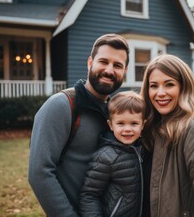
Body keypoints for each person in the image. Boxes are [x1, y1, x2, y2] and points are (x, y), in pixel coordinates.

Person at [28, 33, 129, 217]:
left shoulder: (116, 114)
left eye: (117, 65)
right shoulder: (62, 105)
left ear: (125, 71)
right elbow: (39, 173)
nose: (109, 70)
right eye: (103, 61)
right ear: (90, 63)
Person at [140, 54, 194, 217]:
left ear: (184, 88)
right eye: (153, 86)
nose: (160, 93)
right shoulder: (147, 132)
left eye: (169, 84)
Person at [79, 91, 146, 217]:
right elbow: (89, 195)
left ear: (143, 125)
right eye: (120, 123)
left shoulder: (145, 150)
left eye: (134, 123)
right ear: (111, 125)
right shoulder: (106, 157)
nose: (127, 129)